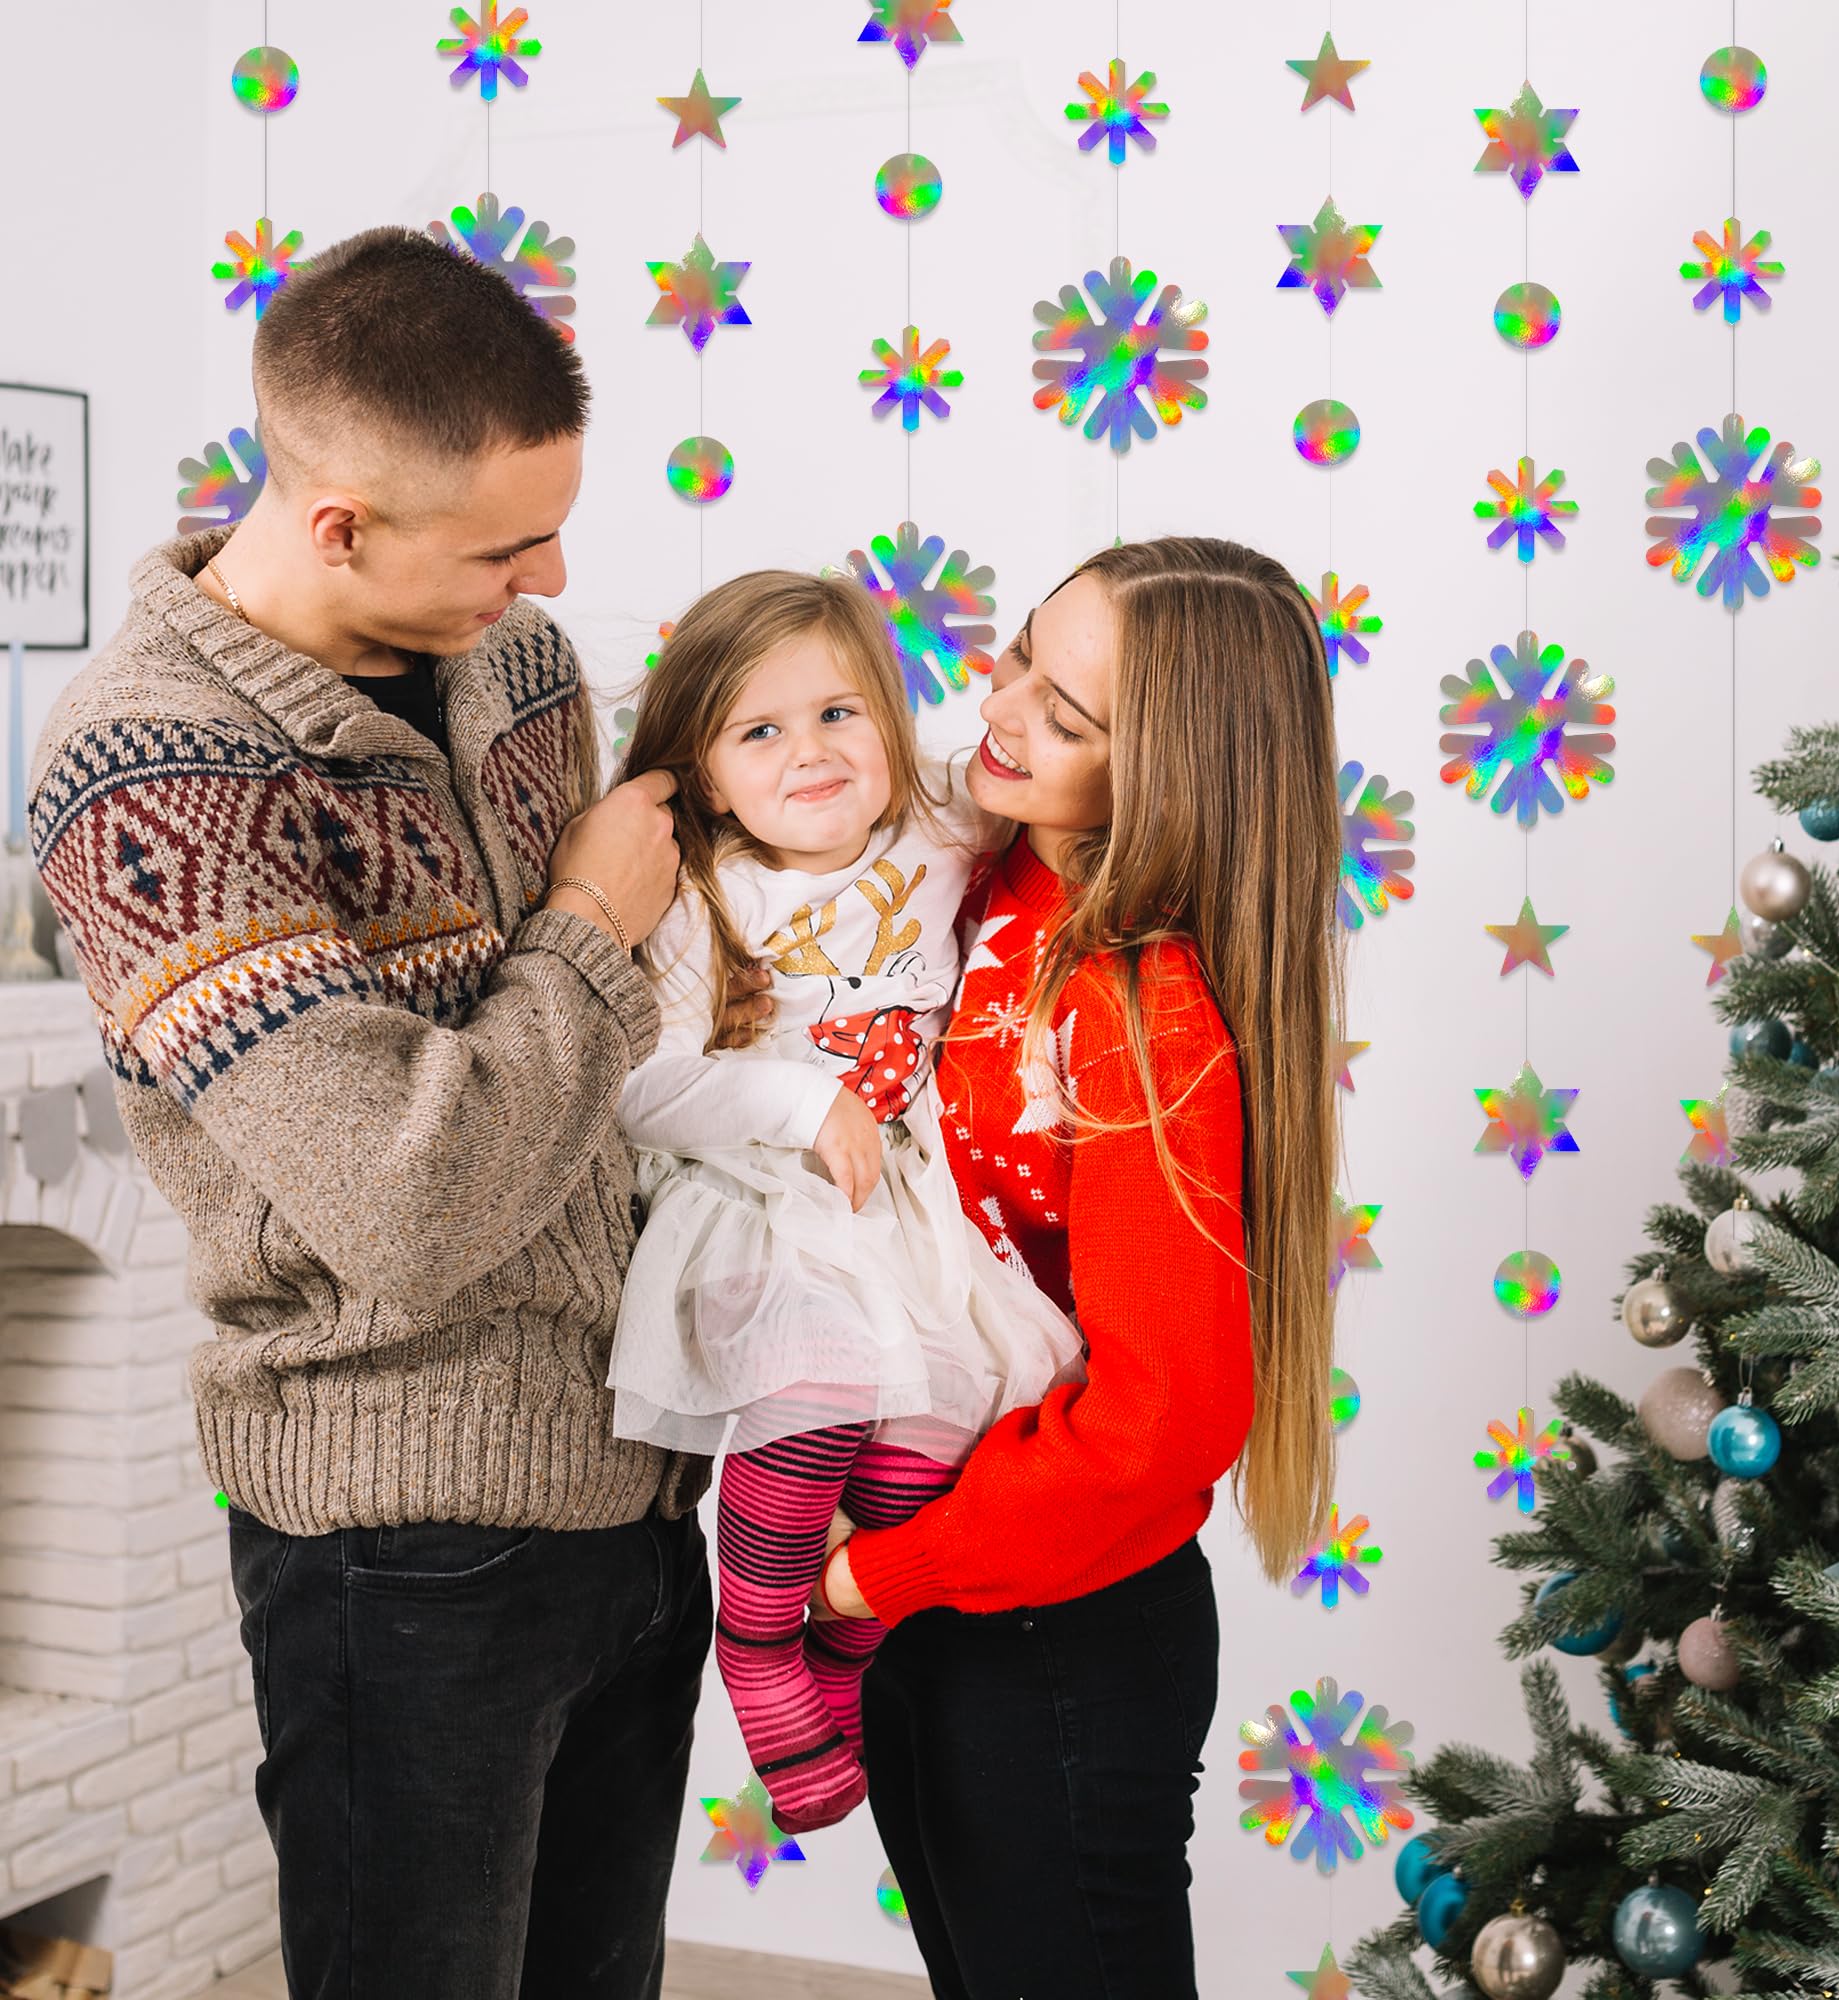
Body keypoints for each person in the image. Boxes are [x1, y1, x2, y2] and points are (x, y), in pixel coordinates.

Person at [27, 225, 711, 2000]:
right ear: (338, 520)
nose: (549, 572)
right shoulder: (151, 770)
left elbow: (593, 1079)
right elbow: (411, 1198)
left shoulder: (520, 667)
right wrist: (587, 930)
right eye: (504, 542)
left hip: (633, 1494)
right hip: (407, 1552)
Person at [795, 538, 1347, 1997]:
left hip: (1043, 1622)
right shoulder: (970, 882)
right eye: (1026, 652)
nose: (1005, 703)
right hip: (937, 1586)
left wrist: (874, 1575)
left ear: (1167, 776)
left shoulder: (1136, 1004)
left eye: (1070, 712)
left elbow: (1165, 1418)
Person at [608, 568, 1082, 1834]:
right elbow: (643, 1085)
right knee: (817, 1385)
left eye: (838, 714)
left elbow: (1070, 809)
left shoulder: (940, 826)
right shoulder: (706, 895)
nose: (809, 752)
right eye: (759, 731)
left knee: (938, 1418)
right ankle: (756, 1639)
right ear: (707, 774)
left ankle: (841, 1654)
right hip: (768, 1196)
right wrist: (797, 1105)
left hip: (908, 1196)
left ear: (888, 718)